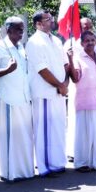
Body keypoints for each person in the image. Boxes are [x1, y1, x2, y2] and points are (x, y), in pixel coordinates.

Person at [0, 16, 35, 182]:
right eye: (18, 30)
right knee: (9, 136)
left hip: (23, 98)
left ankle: (25, 171)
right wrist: (7, 69)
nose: (22, 33)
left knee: (24, 135)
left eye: (22, 29)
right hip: (8, 99)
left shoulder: (21, 46)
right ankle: (9, 173)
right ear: (8, 30)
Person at [26, 10, 70, 176]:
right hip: (44, 93)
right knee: (44, 130)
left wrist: (65, 84)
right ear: (38, 24)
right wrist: (59, 85)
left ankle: (58, 162)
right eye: (47, 19)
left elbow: (66, 64)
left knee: (58, 128)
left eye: (51, 18)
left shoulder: (57, 41)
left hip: (59, 92)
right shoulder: (34, 42)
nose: (52, 21)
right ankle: (45, 167)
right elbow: (42, 69)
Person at [68, 30, 96, 172]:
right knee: (84, 134)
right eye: (87, 41)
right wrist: (70, 59)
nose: (90, 43)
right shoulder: (77, 58)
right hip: (85, 102)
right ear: (82, 43)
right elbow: (75, 78)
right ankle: (82, 163)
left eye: (92, 40)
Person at [64, 17, 94, 163]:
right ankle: (73, 150)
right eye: (83, 26)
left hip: (92, 88)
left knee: (90, 120)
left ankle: (89, 149)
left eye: (89, 26)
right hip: (76, 86)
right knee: (75, 119)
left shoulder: (95, 42)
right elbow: (65, 65)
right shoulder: (70, 44)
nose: (86, 28)